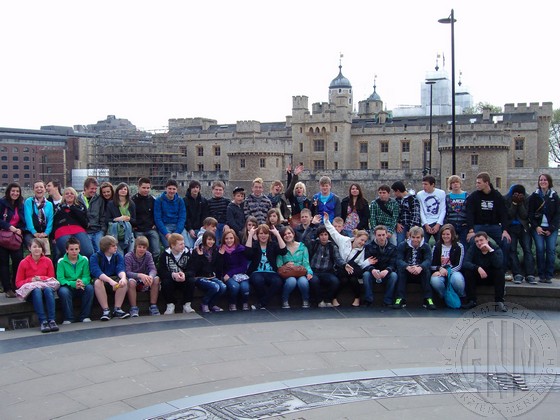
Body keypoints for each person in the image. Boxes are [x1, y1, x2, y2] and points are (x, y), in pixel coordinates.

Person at [323, 212, 369, 307]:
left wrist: (367, 262)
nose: (362, 242)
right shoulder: (344, 240)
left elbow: (360, 265)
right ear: (356, 237)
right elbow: (333, 232)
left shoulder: (361, 250)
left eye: (364, 241)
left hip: (351, 271)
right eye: (361, 240)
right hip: (341, 268)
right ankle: (334, 298)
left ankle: (357, 298)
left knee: (352, 279)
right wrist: (327, 220)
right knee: (343, 280)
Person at [465, 172, 511, 267]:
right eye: (476, 183)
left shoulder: (497, 196)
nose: (477, 185)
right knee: (473, 241)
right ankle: (476, 267)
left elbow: (503, 214)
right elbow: (469, 214)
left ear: (486, 183)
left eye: (479, 183)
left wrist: (505, 230)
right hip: (479, 226)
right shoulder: (474, 197)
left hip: (494, 226)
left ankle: (502, 269)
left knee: (505, 242)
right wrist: (471, 230)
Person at [15, 238, 59, 333]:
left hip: (46, 289)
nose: (37, 249)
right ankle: (43, 321)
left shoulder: (48, 261)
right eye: (34, 247)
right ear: (29, 248)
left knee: (48, 290)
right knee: (37, 290)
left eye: (39, 247)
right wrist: (31, 280)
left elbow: (52, 279)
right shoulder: (23, 263)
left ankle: (52, 320)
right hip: (31, 293)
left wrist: (40, 278)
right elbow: (18, 283)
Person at [245, 224, 287, 309]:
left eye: (265, 233)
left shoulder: (272, 245)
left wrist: (278, 235)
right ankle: (263, 303)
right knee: (258, 280)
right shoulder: (255, 245)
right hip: (257, 272)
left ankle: (262, 303)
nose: (263, 236)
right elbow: (247, 254)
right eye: (261, 233)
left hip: (271, 272)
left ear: (269, 235)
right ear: (257, 235)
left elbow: (283, 251)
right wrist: (250, 236)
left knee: (278, 282)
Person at [462, 231, 506, 311]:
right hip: (478, 276)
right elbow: (465, 263)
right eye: (477, 241)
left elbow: (498, 264)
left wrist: (490, 250)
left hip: (491, 277)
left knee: (500, 272)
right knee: (468, 272)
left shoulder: (495, 248)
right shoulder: (473, 248)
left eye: (481, 240)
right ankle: (472, 300)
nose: (479, 243)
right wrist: (477, 268)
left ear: (487, 240)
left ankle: (499, 301)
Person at [528, 173, 560, 283]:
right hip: (538, 228)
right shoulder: (534, 196)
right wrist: (536, 227)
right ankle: (541, 275)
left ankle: (549, 275)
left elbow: (557, 214)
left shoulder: (554, 196)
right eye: (541, 180)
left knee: (550, 250)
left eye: (545, 180)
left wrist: (551, 228)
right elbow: (530, 214)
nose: (543, 182)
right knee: (540, 250)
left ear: (549, 182)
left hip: (551, 228)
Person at [393, 226, 435, 310]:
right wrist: (407, 266)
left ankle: (428, 298)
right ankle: (400, 298)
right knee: (401, 271)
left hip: (420, 271)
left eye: (418, 237)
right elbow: (398, 260)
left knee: (426, 271)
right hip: (407, 270)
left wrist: (421, 267)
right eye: (413, 237)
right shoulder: (403, 245)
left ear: (422, 237)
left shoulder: (426, 246)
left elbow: (428, 260)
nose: (415, 240)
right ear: (409, 236)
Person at [90, 235, 130, 320]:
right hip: (103, 279)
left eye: (115, 245)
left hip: (114, 278)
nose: (116, 247)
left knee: (125, 281)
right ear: (106, 247)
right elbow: (97, 272)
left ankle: (117, 309)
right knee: (98, 282)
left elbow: (120, 268)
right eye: (113, 246)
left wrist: (123, 278)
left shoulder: (118, 256)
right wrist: (110, 281)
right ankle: (106, 310)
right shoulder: (95, 257)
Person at [56, 237, 93, 323]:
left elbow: (87, 276)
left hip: (81, 286)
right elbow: (60, 279)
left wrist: (82, 282)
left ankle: (85, 316)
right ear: (67, 250)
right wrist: (73, 284)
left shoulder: (84, 260)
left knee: (90, 288)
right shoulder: (61, 262)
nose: (74, 251)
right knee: (63, 292)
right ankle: (68, 318)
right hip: (68, 286)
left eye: (76, 249)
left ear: (79, 250)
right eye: (71, 249)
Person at [158, 233, 196, 314]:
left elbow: (192, 270)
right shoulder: (164, 255)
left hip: (184, 279)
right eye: (180, 244)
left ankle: (187, 305)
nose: (183, 246)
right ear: (173, 245)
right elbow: (161, 272)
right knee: (165, 283)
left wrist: (185, 274)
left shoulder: (188, 253)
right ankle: (170, 305)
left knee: (191, 281)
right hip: (172, 280)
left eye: (183, 243)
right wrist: (173, 275)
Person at [306, 225, 343, 308]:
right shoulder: (314, 244)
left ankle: (328, 299)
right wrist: (311, 226)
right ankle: (319, 300)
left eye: (326, 235)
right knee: (313, 281)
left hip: (327, 272)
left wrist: (344, 265)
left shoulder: (332, 246)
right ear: (318, 236)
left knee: (335, 281)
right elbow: (305, 238)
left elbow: (338, 259)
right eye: (321, 235)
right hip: (314, 271)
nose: (324, 237)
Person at [505, 184, 536, 284]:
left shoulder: (528, 199)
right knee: (512, 250)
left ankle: (530, 274)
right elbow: (509, 214)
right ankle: (517, 274)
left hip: (524, 228)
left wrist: (520, 203)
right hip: (511, 227)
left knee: (527, 250)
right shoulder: (506, 199)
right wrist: (514, 203)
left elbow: (525, 215)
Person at [429, 224, 466, 306]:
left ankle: (461, 296)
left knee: (457, 279)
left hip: (454, 271)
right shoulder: (436, 246)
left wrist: (447, 271)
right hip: (440, 271)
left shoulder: (459, 246)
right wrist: (439, 269)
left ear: (452, 235)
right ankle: (443, 297)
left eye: (448, 234)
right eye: (443, 234)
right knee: (434, 280)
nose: (445, 236)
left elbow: (459, 265)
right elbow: (432, 264)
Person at [277, 226, 313, 309]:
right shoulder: (281, 248)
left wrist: (309, 272)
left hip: (300, 272)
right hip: (288, 273)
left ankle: (306, 300)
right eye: (284, 234)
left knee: (303, 282)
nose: (287, 235)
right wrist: (285, 265)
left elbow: (306, 263)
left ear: (293, 234)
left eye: (289, 233)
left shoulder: (302, 247)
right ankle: (284, 300)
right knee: (291, 281)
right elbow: (279, 264)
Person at [190, 231, 226, 313]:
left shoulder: (215, 250)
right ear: (204, 240)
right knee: (215, 287)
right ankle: (204, 303)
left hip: (211, 276)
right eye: (209, 239)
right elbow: (196, 268)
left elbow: (216, 267)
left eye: (213, 240)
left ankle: (212, 304)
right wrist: (201, 256)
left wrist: (220, 256)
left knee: (223, 287)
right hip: (199, 277)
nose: (211, 242)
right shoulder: (197, 251)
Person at [362, 225, 398, 307]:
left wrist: (387, 270)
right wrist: (372, 270)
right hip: (373, 272)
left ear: (386, 235)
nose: (381, 237)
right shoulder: (368, 247)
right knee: (366, 275)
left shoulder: (393, 248)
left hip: (386, 273)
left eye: (383, 235)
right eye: (379, 235)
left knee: (394, 275)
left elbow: (394, 264)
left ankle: (388, 301)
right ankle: (368, 300)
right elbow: (365, 263)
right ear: (375, 235)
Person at [53, 187, 93, 258]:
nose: (69, 195)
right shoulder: (58, 208)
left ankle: (84, 268)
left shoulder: (80, 206)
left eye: (72, 193)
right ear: (63, 196)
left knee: (88, 252)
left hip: (78, 230)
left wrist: (73, 209)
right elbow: (55, 222)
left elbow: (85, 222)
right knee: (69, 253)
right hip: (62, 231)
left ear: (75, 195)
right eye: (67, 193)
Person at [125, 236, 161, 317]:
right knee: (131, 282)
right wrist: (140, 275)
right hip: (134, 279)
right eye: (139, 247)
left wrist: (150, 277)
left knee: (156, 279)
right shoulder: (128, 256)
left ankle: (153, 306)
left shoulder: (148, 255)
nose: (141, 249)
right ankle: (133, 308)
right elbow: (127, 272)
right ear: (135, 247)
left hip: (146, 280)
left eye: (144, 247)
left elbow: (153, 269)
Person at [0, 183, 25, 298]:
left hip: (15, 238)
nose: (15, 193)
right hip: (3, 237)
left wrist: (20, 229)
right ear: (8, 192)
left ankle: (16, 285)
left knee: (18, 261)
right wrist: (9, 226)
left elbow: (24, 221)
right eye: (13, 191)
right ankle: (7, 288)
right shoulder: (2, 203)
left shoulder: (21, 205)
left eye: (17, 191)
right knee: (3, 263)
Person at [220, 229, 250, 311]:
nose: (229, 240)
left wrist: (230, 273)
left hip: (240, 274)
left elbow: (243, 267)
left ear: (235, 238)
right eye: (226, 238)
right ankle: (232, 303)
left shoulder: (241, 249)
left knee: (245, 287)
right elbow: (220, 266)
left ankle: (245, 303)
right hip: (227, 275)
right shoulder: (220, 249)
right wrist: (220, 255)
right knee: (235, 287)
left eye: (231, 238)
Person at [131, 177, 161, 261]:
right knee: (142, 251)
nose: (146, 190)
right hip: (138, 230)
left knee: (156, 250)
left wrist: (155, 223)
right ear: (139, 187)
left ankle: (153, 266)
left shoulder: (153, 200)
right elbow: (131, 216)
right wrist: (134, 226)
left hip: (150, 229)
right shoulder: (132, 201)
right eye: (144, 188)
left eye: (148, 188)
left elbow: (156, 214)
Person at [154, 179, 187, 248]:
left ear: (176, 190)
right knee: (170, 247)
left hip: (177, 226)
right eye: (169, 189)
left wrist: (177, 233)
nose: (172, 191)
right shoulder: (159, 200)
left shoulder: (180, 200)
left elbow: (182, 217)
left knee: (186, 246)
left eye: (174, 189)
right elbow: (158, 219)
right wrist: (166, 234)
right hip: (165, 226)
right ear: (166, 189)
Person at [24, 180, 54, 254]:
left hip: (44, 232)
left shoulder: (49, 204)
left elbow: (50, 219)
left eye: (41, 187)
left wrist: (46, 233)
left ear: (45, 189)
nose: (39, 189)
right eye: (36, 187)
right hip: (31, 232)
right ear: (33, 190)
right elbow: (28, 217)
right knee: (34, 247)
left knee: (45, 251)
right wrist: (34, 232)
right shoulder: (29, 201)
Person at [106, 182, 136, 254]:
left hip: (129, 233)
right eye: (121, 189)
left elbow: (135, 221)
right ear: (117, 191)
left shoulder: (131, 204)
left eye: (125, 189)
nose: (123, 190)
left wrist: (129, 219)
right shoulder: (111, 204)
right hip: (116, 234)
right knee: (120, 256)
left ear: (127, 191)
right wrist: (117, 219)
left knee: (130, 254)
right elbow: (107, 220)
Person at [78, 177, 106, 253]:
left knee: (100, 252)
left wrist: (102, 229)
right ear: (85, 188)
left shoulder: (99, 199)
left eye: (95, 189)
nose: (94, 191)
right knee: (89, 252)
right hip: (85, 231)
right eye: (92, 189)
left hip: (98, 230)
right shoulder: (78, 200)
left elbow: (102, 215)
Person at [416, 175, 446, 244]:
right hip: (426, 222)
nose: (424, 186)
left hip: (438, 221)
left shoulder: (441, 193)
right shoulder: (420, 194)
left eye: (426, 184)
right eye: (423, 184)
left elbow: (443, 209)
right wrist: (426, 224)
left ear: (432, 184)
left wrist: (438, 224)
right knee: (422, 243)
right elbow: (421, 211)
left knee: (441, 243)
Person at [445, 175, 469, 247]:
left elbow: (469, 211)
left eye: (457, 182)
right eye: (453, 183)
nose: (455, 184)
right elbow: (446, 211)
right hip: (451, 224)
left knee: (464, 245)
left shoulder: (467, 196)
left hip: (463, 224)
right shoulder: (447, 197)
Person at [285, 163, 311, 228]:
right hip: (295, 223)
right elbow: (289, 187)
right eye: (297, 188)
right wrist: (289, 175)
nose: (298, 189)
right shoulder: (293, 199)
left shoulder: (307, 201)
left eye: (300, 188)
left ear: (303, 190)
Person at [184, 180, 208, 249]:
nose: (195, 189)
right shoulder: (185, 200)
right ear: (190, 189)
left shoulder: (203, 201)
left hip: (201, 228)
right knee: (190, 247)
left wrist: (202, 228)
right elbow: (186, 217)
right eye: (193, 188)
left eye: (197, 187)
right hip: (189, 229)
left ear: (199, 189)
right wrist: (190, 229)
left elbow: (205, 216)